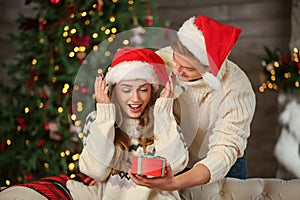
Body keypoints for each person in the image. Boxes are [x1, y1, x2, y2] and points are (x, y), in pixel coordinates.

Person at [129, 15, 256, 199]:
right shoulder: (163, 60)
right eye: (176, 60)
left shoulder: (236, 89)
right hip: (175, 156)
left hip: (220, 164)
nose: (177, 70)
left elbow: (224, 151)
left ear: (209, 71)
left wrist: (175, 183)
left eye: (188, 68)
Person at [66, 47, 189, 200]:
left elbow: (176, 165)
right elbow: (96, 171)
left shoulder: (163, 119)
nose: (135, 98)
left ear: (152, 90)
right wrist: (105, 116)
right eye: (126, 90)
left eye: (143, 90)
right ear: (114, 89)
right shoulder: (97, 120)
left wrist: (163, 112)